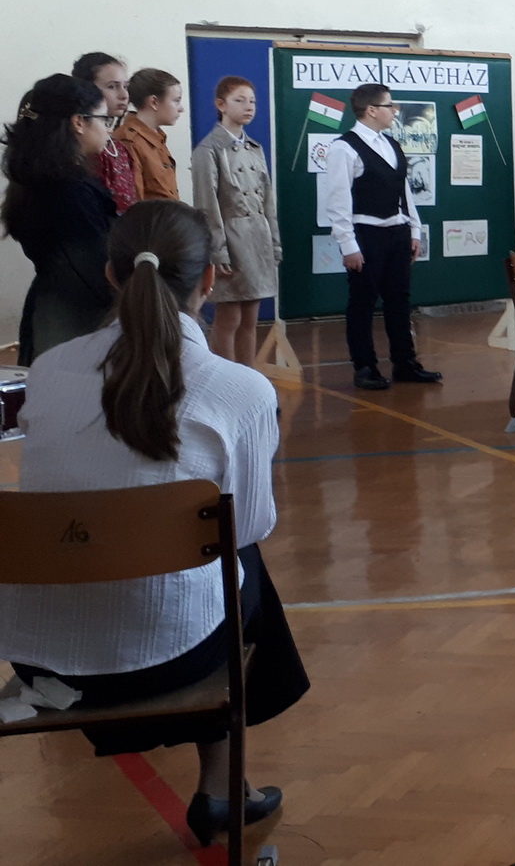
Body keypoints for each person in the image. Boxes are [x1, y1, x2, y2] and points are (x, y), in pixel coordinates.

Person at [0, 201, 309, 847]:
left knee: (211, 562)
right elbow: (251, 526)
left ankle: (227, 785)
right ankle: (223, 785)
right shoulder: (241, 390)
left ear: (111, 275)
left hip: (39, 657)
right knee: (239, 562)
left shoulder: (49, 370)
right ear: (209, 280)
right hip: (166, 658)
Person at [318, 82, 441, 390]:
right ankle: (365, 367)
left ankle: (405, 363)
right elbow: (338, 201)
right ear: (371, 110)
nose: (395, 110)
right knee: (362, 302)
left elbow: (405, 193)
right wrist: (348, 245)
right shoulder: (344, 148)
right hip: (366, 234)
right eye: (390, 105)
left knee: (399, 300)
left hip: (398, 232)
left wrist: (414, 230)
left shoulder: (392, 144)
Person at [2, 75, 118, 365]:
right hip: (75, 323)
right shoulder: (69, 193)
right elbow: (95, 270)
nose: (109, 129)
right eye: (105, 120)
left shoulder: (41, 181)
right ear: (78, 122)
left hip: (53, 311)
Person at [190, 76, 281, 365]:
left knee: (251, 318)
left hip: (257, 239)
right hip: (230, 239)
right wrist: (217, 251)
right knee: (229, 319)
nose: (248, 106)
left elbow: (268, 202)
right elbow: (207, 205)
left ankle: (249, 377)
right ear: (221, 105)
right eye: (239, 100)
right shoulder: (209, 150)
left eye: (252, 101)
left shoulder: (255, 148)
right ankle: (226, 380)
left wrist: (274, 243)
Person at [73, 52, 138, 213]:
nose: (124, 95)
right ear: (88, 90)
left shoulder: (118, 147)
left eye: (125, 86)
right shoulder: (86, 147)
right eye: (112, 87)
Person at [118, 67, 184, 202]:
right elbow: (133, 202)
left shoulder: (157, 136)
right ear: (154, 102)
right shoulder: (129, 141)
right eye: (176, 101)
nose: (181, 108)